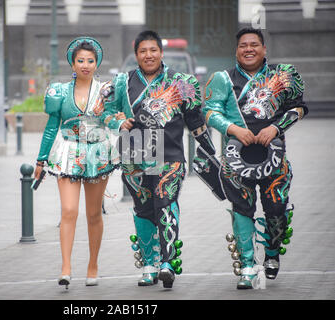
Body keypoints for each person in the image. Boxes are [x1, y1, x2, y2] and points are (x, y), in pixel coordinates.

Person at [101, 30, 216, 288]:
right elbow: (106, 112)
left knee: (165, 202)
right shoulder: (123, 83)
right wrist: (119, 121)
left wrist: (208, 147)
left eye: (153, 50)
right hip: (134, 155)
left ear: (161, 53)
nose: (148, 55)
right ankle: (149, 264)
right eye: (143, 51)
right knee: (143, 210)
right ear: (136, 54)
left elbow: (194, 118)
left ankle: (167, 262)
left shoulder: (181, 81)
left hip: (171, 153)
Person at [203, 27, 308, 289]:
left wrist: (276, 128)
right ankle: (247, 266)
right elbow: (209, 112)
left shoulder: (282, 77)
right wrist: (234, 129)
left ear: (264, 49)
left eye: (254, 45)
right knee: (242, 210)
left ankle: (272, 253)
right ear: (236, 51)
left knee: (276, 209)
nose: (248, 49)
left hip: (274, 159)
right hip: (236, 162)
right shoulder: (222, 79)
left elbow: (299, 107)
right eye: (243, 45)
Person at [34, 37, 119, 289]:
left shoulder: (107, 91)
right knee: (69, 211)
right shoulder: (58, 91)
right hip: (68, 154)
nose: (85, 65)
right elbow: (51, 128)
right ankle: (66, 267)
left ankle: (93, 265)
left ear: (97, 63)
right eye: (80, 60)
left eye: (90, 61)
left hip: (97, 154)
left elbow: (114, 120)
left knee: (93, 214)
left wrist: (121, 123)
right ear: (72, 63)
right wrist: (40, 159)